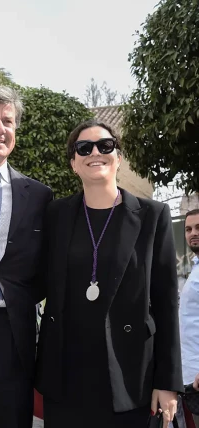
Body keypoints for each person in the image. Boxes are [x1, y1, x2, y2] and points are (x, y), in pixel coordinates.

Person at [35, 119, 183, 427]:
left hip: (130, 376)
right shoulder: (55, 215)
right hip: (65, 374)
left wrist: (168, 381)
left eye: (105, 146)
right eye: (83, 148)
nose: (95, 153)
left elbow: (166, 303)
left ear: (117, 156)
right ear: (73, 163)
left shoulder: (152, 216)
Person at [180, 209, 199, 427]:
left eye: (198, 227)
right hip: (190, 380)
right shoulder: (195, 268)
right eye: (188, 229)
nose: (193, 233)